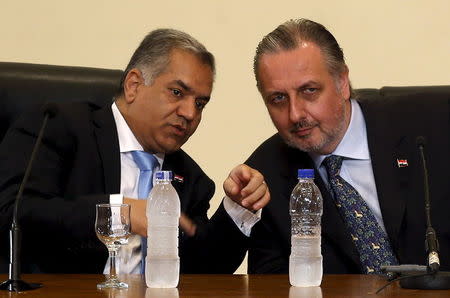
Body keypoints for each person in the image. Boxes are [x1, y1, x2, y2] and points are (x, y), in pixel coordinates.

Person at [0, 29, 269, 274]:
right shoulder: (57, 126)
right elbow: (12, 213)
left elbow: (203, 271)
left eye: (200, 103)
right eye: (177, 92)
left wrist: (237, 209)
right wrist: (119, 213)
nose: (190, 113)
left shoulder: (192, 180)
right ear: (133, 85)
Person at [242, 18, 449, 274]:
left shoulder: (432, 127)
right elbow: (269, 285)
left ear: (342, 82)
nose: (295, 114)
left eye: (309, 90)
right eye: (278, 98)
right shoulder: (265, 173)